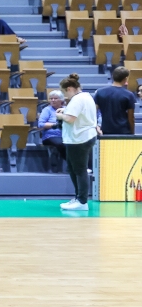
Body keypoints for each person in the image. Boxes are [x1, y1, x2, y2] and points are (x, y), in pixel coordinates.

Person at [56, 73, 99, 210]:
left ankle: (82, 201)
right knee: (74, 169)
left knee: (79, 170)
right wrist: (66, 110)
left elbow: (70, 119)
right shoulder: (86, 97)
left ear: (69, 88)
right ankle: (78, 198)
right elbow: (78, 114)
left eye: (64, 92)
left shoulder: (77, 99)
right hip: (80, 137)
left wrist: (59, 115)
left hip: (79, 139)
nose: (64, 96)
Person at [95, 66, 136, 136]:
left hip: (105, 131)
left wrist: (96, 127)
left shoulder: (99, 92)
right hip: (124, 132)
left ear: (112, 76)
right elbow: (131, 117)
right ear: (125, 78)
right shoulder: (129, 95)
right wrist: (132, 133)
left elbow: (93, 112)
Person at [38, 89, 66, 166]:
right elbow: (40, 125)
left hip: (66, 135)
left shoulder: (66, 109)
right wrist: (55, 125)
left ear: (61, 100)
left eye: (55, 98)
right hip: (50, 136)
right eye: (51, 98)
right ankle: (73, 164)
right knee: (62, 144)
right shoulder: (47, 110)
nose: (53, 100)